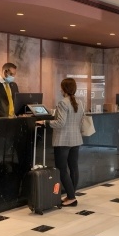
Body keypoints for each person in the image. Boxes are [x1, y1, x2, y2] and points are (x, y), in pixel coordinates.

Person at [37, 78, 84, 207]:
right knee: (73, 168)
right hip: (76, 139)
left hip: (63, 140)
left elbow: (60, 123)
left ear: (64, 89)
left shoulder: (63, 103)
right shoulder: (80, 102)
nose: (59, 89)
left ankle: (71, 197)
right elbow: (80, 121)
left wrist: (45, 122)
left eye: (61, 87)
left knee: (62, 169)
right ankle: (71, 195)